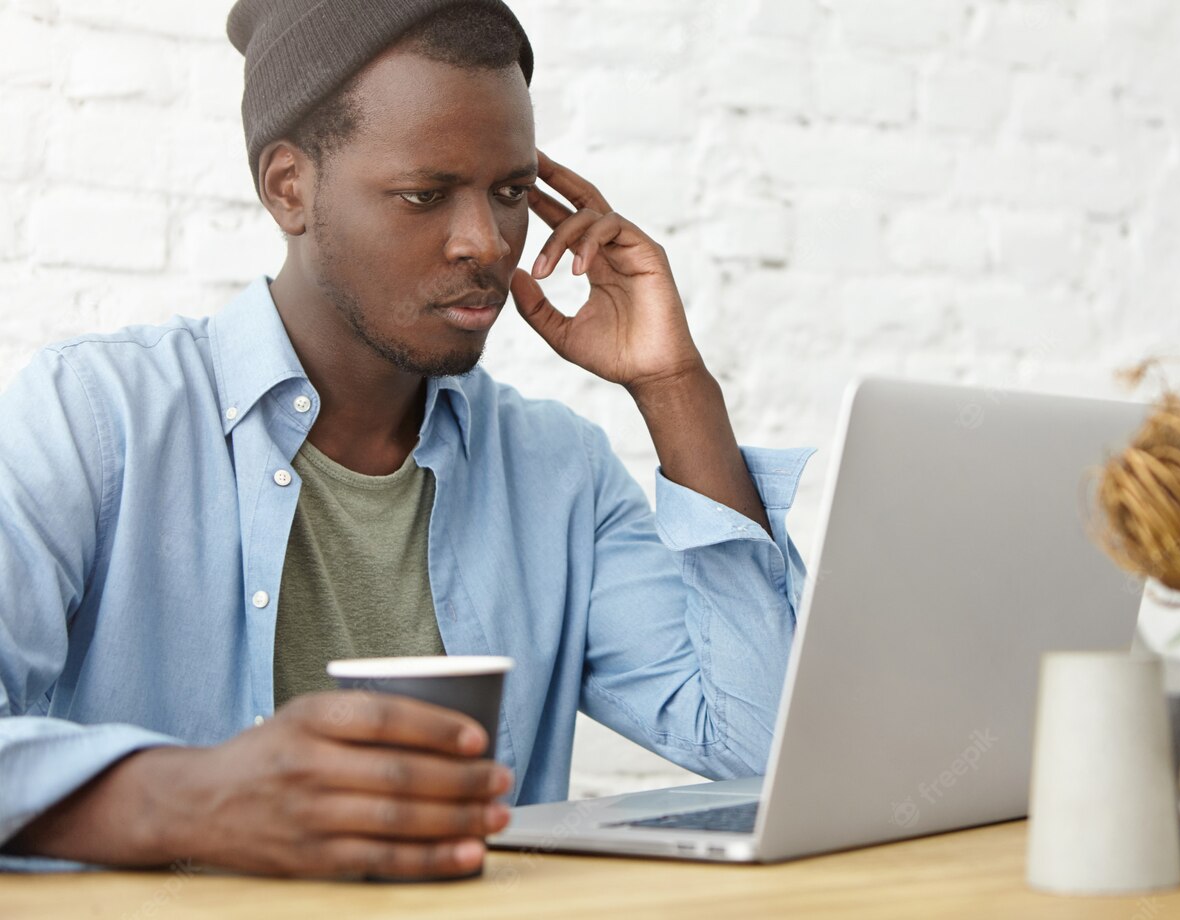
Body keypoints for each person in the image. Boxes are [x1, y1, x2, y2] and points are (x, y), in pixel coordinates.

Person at [0, 0, 812, 879]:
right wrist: (194, 800)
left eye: (509, 193)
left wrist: (674, 390)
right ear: (288, 188)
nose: (487, 244)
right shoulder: (98, 417)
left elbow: (766, 754)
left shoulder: (559, 474)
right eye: (425, 196)